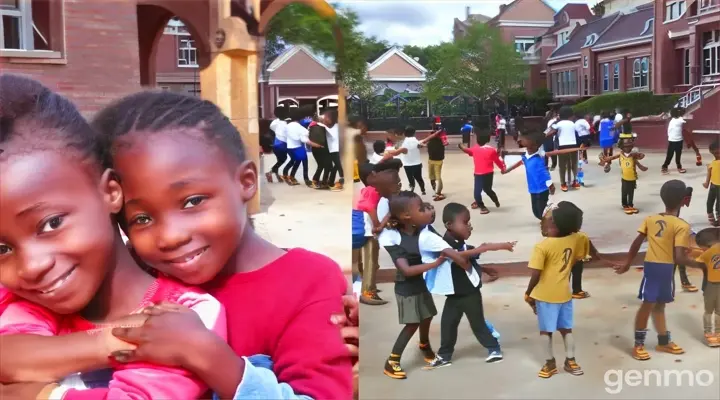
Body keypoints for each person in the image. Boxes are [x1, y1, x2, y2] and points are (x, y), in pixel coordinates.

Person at [90, 91, 353, 398]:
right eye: (142, 219)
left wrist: (204, 353)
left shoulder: (306, 280)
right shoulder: (137, 276)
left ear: (246, 182)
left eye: (192, 201)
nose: (171, 236)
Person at [0, 74, 227, 399]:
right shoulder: (28, 305)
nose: (31, 266)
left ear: (109, 192)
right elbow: (7, 357)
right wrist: (116, 341)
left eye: (50, 224)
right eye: (1, 248)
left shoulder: (186, 315)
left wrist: (34, 393)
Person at [614, 180, 705, 361]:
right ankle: (638, 344)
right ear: (684, 200)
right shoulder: (681, 225)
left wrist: (627, 262)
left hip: (657, 267)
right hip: (661, 268)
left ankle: (663, 341)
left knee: (658, 305)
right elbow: (679, 257)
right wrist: (701, 265)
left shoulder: (651, 219)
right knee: (648, 305)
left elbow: (637, 241)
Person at [525, 201, 612, 378]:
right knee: (566, 330)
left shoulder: (542, 247)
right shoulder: (578, 238)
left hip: (545, 296)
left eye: (549, 219)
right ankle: (571, 361)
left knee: (545, 331)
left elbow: (535, 275)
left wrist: (528, 293)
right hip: (565, 294)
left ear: (554, 225)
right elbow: (592, 254)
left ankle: (550, 365)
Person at [423, 203, 515, 368]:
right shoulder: (443, 245)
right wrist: (495, 248)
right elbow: (463, 255)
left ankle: (494, 348)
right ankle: (444, 355)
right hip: (454, 295)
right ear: (449, 225)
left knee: (477, 323)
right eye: (465, 222)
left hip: (469, 294)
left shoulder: (460, 244)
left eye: (469, 222)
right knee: (448, 324)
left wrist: (484, 268)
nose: (469, 226)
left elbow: (470, 257)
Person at [355, 160, 403, 306]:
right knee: (371, 260)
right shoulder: (375, 190)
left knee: (362, 261)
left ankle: (367, 286)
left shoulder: (366, 189)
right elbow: (369, 207)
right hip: (367, 228)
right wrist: (377, 225)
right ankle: (367, 292)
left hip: (358, 226)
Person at [459, 134, 505, 215]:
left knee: (486, 190)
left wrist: (461, 146)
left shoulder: (489, 150)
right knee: (479, 192)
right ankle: (482, 206)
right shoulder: (485, 149)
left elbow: (467, 150)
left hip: (487, 174)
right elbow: (498, 160)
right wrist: (502, 168)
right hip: (480, 174)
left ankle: (495, 200)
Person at [602, 138, 648, 214]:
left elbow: (640, 159)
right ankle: (624, 204)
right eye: (626, 147)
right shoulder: (620, 154)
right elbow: (611, 158)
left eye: (630, 146)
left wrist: (641, 164)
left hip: (632, 177)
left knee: (631, 191)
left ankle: (630, 204)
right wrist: (606, 161)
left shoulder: (633, 155)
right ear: (622, 147)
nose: (628, 148)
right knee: (624, 191)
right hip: (624, 177)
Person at [694, 227, 720, 346]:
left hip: (710, 284)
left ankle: (709, 333)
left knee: (709, 311)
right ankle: (718, 333)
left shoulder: (708, 253)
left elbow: (698, 261)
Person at [285, 106, 324, 186]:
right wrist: (317, 145)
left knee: (296, 161)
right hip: (298, 147)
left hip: (289, 147)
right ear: (300, 118)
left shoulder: (287, 126)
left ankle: (291, 176)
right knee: (304, 163)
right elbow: (305, 140)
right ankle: (306, 180)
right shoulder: (300, 128)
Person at [546, 106, 580, 192]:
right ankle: (575, 181)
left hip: (562, 147)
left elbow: (548, 132)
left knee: (562, 166)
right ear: (571, 115)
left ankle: (563, 184)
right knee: (574, 165)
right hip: (573, 146)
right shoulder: (573, 123)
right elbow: (578, 134)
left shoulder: (558, 124)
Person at [421, 120, 447, 202]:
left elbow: (443, 141)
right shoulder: (432, 134)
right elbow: (428, 143)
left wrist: (424, 142)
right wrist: (424, 145)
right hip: (431, 159)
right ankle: (435, 191)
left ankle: (438, 193)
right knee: (431, 176)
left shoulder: (441, 135)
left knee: (438, 176)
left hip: (438, 160)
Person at [400, 126, 426, 195]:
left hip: (407, 164)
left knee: (410, 178)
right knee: (419, 177)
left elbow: (400, 149)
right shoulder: (416, 141)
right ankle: (423, 190)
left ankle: (412, 189)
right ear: (414, 133)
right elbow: (420, 145)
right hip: (417, 163)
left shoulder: (404, 142)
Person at [661, 108, 688, 175]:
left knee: (677, 155)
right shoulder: (678, 120)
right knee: (670, 155)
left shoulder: (673, 120)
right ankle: (664, 167)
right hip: (673, 141)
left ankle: (679, 167)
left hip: (679, 140)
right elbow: (684, 120)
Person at [267, 106, 289, 183]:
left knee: (280, 160)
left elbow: (272, 127)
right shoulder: (286, 124)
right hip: (282, 145)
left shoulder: (275, 122)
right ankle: (271, 173)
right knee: (283, 159)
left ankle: (276, 174)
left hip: (275, 144)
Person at [323, 109, 344, 191]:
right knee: (334, 167)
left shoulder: (336, 126)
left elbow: (333, 135)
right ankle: (330, 182)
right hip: (331, 149)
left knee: (338, 165)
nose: (324, 119)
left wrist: (322, 125)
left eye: (326, 117)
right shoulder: (331, 127)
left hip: (335, 149)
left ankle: (341, 180)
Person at [309, 114, 331, 189]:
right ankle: (324, 182)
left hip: (314, 148)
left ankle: (316, 180)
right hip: (323, 148)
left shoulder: (311, 126)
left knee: (321, 165)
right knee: (328, 165)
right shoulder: (324, 127)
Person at [703, 139, 720, 226]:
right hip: (713, 185)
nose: (716, 155)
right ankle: (711, 218)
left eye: (717, 153)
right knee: (709, 202)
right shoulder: (712, 163)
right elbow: (709, 172)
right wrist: (706, 183)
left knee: (719, 203)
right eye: (714, 153)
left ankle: (718, 219)